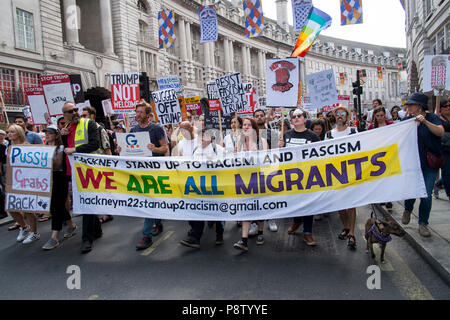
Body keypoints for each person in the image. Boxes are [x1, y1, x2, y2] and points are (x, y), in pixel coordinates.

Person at [401, 93, 444, 237]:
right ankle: (408, 208)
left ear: (419, 106)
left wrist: (425, 122)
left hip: (429, 164)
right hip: (413, 163)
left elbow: (440, 132)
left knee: (426, 194)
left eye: (411, 104)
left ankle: (423, 223)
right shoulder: (407, 120)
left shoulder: (432, 118)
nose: (408, 107)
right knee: (411, 190)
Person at [61, 102, 102, 253]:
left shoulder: (89, 124)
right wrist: (62, 137)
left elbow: (95, 144)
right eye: (70, 111)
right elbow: (65, 149)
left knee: (86, 204)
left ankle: (87, 239)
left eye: (75, 110)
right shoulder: (65, 130)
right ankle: (96, 230)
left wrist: (75, 149)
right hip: (72, 171)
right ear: (64, 115)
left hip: (88, 171)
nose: (74, 112)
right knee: (87, 203)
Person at [128, 101, 168, 250]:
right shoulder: (133, 130)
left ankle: (147, 235)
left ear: (147, 114)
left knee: (150, 200)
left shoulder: (156, 129)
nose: (137, 114)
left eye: (140, 112)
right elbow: (129, 152)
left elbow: (164, 148)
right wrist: (121, 149)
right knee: (151, 199)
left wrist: (154, 149)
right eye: (136, 112)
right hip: (141, 171)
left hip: (155, 171)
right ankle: (158, 222)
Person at [278, 109, 319, 246]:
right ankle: (296, 221)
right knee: (294, 201)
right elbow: (282, 157)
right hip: (291, 175)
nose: (296, 118)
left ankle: (307, 232)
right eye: (293, 117)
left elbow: (319, 156)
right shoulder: (286, 135)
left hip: (308, 176)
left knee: (308, 204)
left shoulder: (313, 136)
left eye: (299, 116)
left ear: (304, 118)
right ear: (290, 120)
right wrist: (280, 148)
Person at [179, 130, 226, 248]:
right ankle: (195, 237)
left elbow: (227, 164)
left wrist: (215, 161)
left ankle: (219, 234)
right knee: (198, 210)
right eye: (200, 136)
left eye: (204, 136)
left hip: (215, 186)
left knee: (217, 211)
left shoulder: (218, 149)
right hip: (199, 186)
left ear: (210, 138)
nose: (201, 139)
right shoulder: (196, 150)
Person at [325, 106, 358, 249]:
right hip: (335, 172)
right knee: (339, 203)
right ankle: (345, 227)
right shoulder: (329, 134)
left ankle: (352, 232)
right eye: (337, 114)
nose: (339, 116)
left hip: (350, 171)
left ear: (347, 116)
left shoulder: (353, 132)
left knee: (350, 203)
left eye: (342, 114)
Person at [233, 118, 268, 252]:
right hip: (243, 179)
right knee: (246, 208)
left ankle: (260, 233)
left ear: (254, 128)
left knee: (259, 207)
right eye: (244, 125)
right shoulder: (239, 142)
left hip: (258, 178)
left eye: (248, 125)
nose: (246, 127)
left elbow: (267, 160)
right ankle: (244, 240)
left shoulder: (262, 142)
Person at [41, 125, 78, 250]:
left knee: (56, 206)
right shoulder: (43, 147)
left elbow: (57, 165)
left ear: (56, 135)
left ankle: (54, 236)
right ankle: (71, 225)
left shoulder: (61, 148)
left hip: (59, 179)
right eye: (46, 133)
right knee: (57, 205)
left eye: (49, 133)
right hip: (47, 179)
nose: (47, 135)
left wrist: (46, 156)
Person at [5, 124, 41, 244]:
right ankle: (24, 227)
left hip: (27, 180)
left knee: (27, 208)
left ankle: (34, 232)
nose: (9, 134)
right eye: (8, 132)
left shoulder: (27, 146)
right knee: (11, 206)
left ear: (19, 133)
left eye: (12, 132)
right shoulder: (8, 148)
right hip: (14, 180)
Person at [81, 106, 114, 224]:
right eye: (82, 116)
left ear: (92, 116)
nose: (82, 118)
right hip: (87, 166)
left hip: (100, 165)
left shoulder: (100, 130)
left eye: (85, 115)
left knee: (103, 190)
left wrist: (109, 166)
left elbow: (107, 149)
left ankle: (107, 213)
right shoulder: (82, 131)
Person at [253, 109, 279, 233]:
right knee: (254, 197)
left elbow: (275, 153)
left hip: (268, 169)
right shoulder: (248, 134)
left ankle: (271, 218)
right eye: (256, 116)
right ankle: (254, 222)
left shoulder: (272, 133)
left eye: (261, 116)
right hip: (252, 170)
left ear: (265, 118)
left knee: (269, 195)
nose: (259, 118)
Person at [434, 100, 450, 201]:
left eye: (449, 106)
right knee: (447, 171)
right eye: (445, 106)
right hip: (445, 149)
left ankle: (438, 183)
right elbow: (440, 134)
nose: (448, 107)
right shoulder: (438, 119)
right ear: (441, 109)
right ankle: (449, 193)